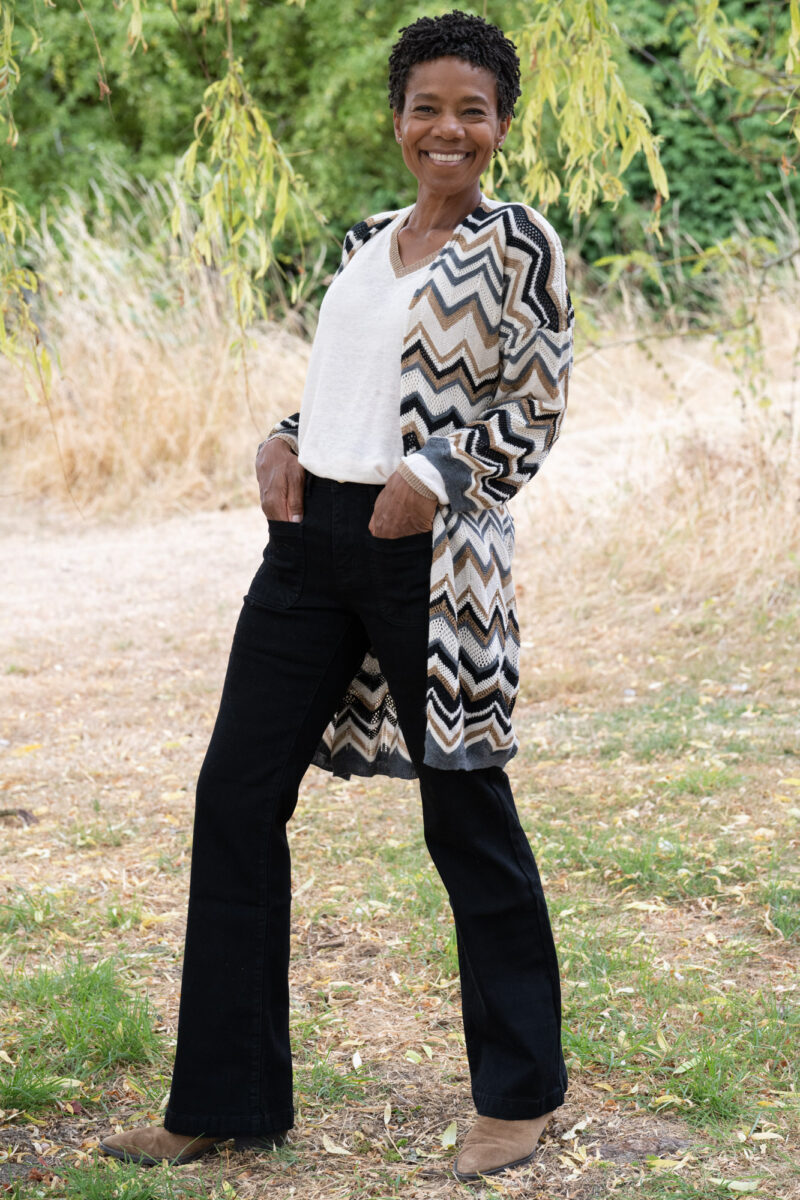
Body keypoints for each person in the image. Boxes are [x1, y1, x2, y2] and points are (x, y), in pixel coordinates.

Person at [99, 9, 573, 1183]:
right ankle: (226, 1100)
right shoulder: (367, 239)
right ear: (397, 119)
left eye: (470, 110)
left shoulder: (518, 243)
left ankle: (520, 1094)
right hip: (307, 553)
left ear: (500, 124)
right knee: (234, 797)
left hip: (428, 557)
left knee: (465, 815)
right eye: (426, 108)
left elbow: (534, 402)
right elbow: (348, 386)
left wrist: (432, 479)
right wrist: (283, 436)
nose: (446, 129)